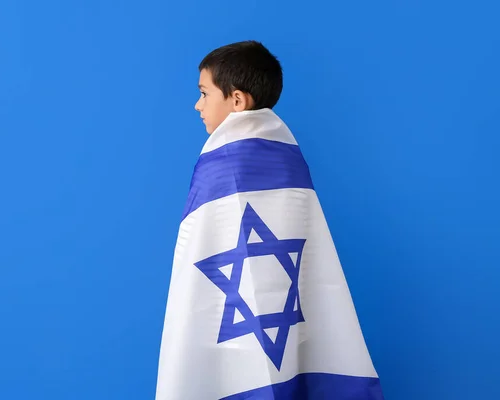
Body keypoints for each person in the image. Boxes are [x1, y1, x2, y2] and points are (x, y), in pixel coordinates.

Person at [155, 40, 384, 400]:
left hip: (235, 332)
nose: (198, 105)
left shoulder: (218, 166)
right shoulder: (287, 156)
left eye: (204, 93)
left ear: (236, 100)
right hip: (285, 319)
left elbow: (198, 263)